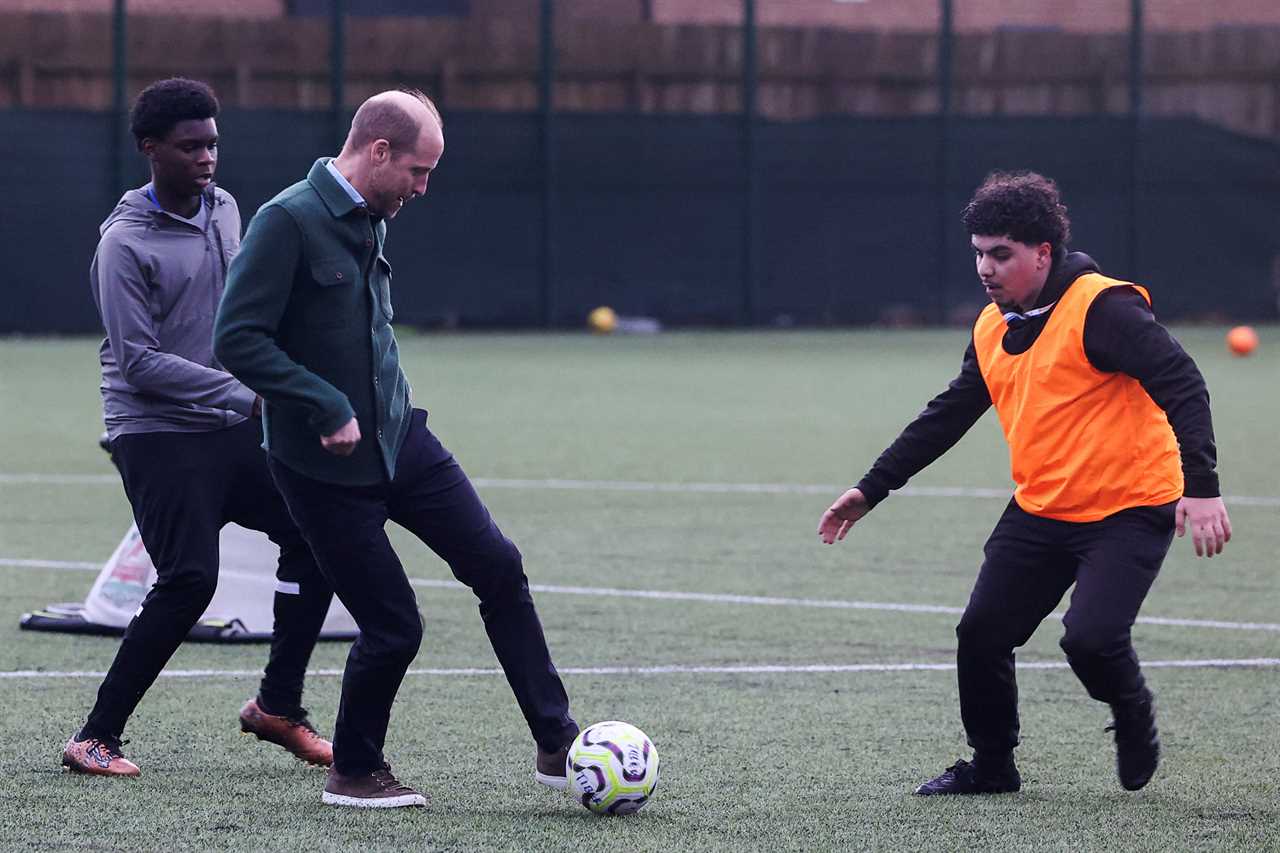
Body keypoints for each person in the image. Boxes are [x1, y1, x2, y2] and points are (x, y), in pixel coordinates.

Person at [213, 88, 579, 809]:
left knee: (498, 566)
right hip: (320, 470)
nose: (423, 187)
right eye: (417, 170)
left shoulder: (373, 215)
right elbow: (236, 339)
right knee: (394, 625)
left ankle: (557, 740)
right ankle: (353, 771)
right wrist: (320, 401)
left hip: (403, 439)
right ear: (377, 151)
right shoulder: (287, 220)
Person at [818, 171, 1232, 796]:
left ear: (1043, 252)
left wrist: (1201, 486)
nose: (985, 268)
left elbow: (1183, 383)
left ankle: (1131, 708)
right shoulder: (993, 323)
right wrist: (872, 488)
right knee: (981, 634)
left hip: (1130, 506)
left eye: (1001, 254)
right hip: (1041, 510)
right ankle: (992, 767)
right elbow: (951, 412)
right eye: (979, 253)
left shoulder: (1103, 308)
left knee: (1090, 640)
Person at [66, 78, 337, 777]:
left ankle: (278, 705)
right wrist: (248, 398)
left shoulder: (226, 209)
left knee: (316, 533)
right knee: (189, 580)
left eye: (213, 143)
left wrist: (281, 371)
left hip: (229, 416)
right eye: (190, 147)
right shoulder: (123, 245)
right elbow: (139, 362)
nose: (207, 158)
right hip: (154, 430)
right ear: (151, 150)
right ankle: (95, 736)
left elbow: (242, 314)